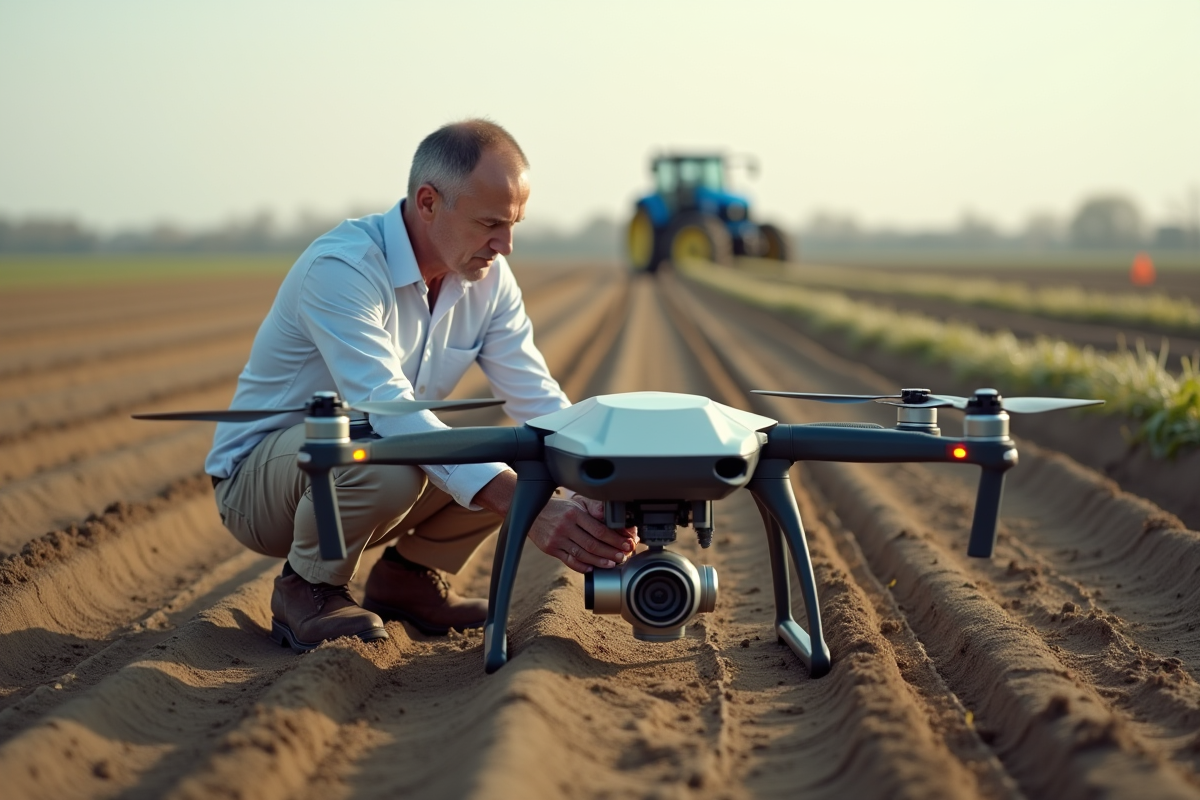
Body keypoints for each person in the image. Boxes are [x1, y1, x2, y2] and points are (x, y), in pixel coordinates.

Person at [205, 119, 637, 653]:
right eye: (489, 224)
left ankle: (408, 580)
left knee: (522, 448)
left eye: (514, 224)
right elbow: (390, 413)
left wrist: (595, 490)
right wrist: (532, 511)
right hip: (262, 485)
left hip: (362, 462)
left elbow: (538, 400)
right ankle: (307, 589)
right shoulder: (342, 268)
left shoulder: (489, 280)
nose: (504, 245)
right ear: (429, 202)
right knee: (384, 453)